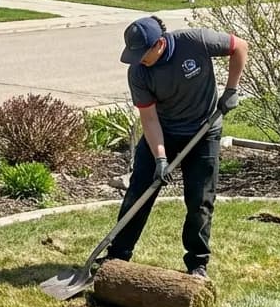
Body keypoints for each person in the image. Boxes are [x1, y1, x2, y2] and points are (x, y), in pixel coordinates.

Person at [104, 15, 249, 278]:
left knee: (200, 200)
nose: (139, 60)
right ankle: (118, 256)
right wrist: (160, 158)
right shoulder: (138, 72)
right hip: (163, 131)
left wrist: (232, 89)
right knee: (139, 192)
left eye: (142, 54)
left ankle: (197, 263)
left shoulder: (195, 41)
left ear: (159, 44)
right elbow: (149, 119)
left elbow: (239, 46)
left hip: (204, 131)